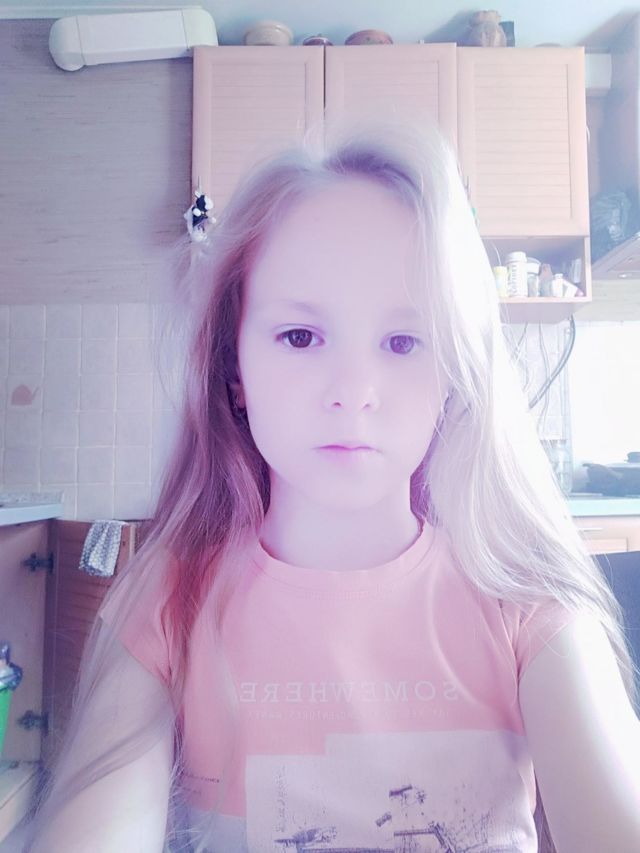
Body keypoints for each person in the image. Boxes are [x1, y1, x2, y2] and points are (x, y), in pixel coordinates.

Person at [23, 118, 640, 853]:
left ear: (454, 374)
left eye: (404, 341)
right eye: (300, 336)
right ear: (233, 368)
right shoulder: (167, 605)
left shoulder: (528, 603)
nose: (353, 390)